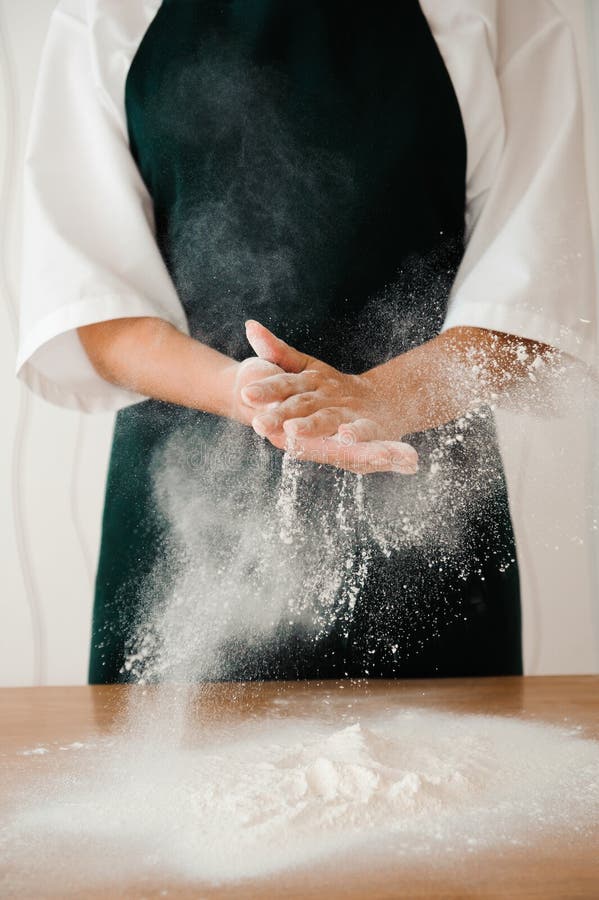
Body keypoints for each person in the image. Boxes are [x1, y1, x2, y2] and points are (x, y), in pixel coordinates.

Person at [18, 0, 595, 683]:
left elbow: (528, 301)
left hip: (421, 479)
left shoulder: (505, 12)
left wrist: (378, 400)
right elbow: (91, 303)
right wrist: (251, 396)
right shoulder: (104, 13)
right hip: (186, 476)